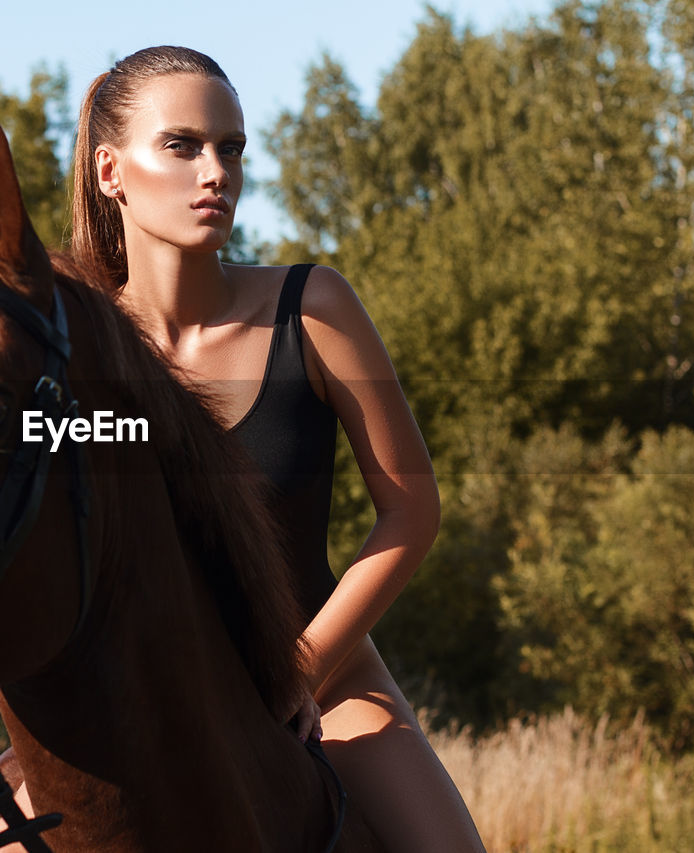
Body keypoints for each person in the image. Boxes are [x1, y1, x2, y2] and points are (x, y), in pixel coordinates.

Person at [61, 46, 486, 851]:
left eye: (230, 147)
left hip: (327, 675)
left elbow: (413, 509)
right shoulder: (83, 354)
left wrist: (300, 667)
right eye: (182, 145)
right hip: (137, 696)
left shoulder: (313, 308)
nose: (214, 170)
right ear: (111, 170)